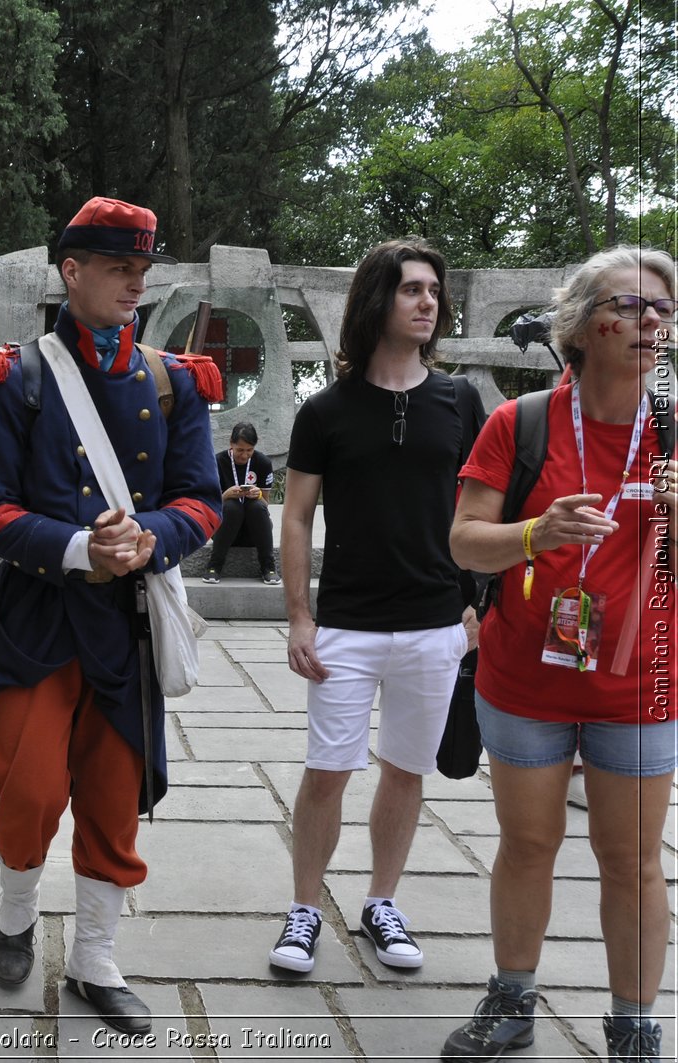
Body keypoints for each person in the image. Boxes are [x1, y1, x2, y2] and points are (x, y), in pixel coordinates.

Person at [0, 197, 221, 1034]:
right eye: (118, 269)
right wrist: (74, 547)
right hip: (34, 620)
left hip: (125, 626)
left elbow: (201, 503)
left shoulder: (176, 382)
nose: (136, 285)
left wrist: (147, 540)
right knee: (27, 792)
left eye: (142, 270)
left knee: (111, 795)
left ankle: (97, 958)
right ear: (73, 271)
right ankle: (16, 914)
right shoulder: (10, 375)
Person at [442, 246, 675, 1062]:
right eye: (633, 305)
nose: (653, 321)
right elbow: (467, 544)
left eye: (663, 309)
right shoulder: (523, 422)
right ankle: (512, 999)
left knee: (633, 859)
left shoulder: (675, 432)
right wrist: (538, 532)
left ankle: (635, 1026)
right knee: (528, 842)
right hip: (525, 678)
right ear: (582, 322)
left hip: (643, 685)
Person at [272, 238, 484, 977]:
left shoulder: (461, 400)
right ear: (377, 301)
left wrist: (473, 605)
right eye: (412, 290)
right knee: (328, 768)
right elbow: (296, 517)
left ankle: (381, 902)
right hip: (346, 625)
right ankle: (304, 908)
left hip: (436, 622)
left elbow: (478, 507)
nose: (428, 301)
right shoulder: (325, 409)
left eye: (434, 290)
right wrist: (300, 616)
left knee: (404, 769)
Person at [201, 421, 279, 585]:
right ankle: (214, 566)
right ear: (231, 443)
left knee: (256, 506)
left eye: (249, 450)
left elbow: (265, 503)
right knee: (231, 506)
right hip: (225, 530)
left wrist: (258, 495)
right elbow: (208, 505)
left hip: (254, 533)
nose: (244, 455)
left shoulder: (263, 463)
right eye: (240, 450)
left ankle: (268, 567)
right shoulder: (217, 462)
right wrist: (225, 495)